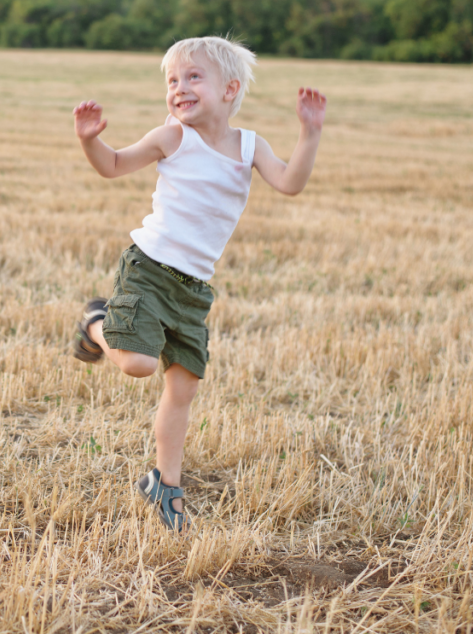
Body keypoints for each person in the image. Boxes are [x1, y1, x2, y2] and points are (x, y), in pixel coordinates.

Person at [71, 36, 326, 531]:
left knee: (183, 390)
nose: (179, 88)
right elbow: (114, 165)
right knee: (139, 364)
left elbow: (290, 183)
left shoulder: (250, 146)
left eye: (192, 77)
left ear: (230, 89)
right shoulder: (172, 138)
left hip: (193, 289)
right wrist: (89, 141)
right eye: (172, 80)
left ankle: (165, 485)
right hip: (149, 269)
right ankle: (97, 324)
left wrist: (309, 134)